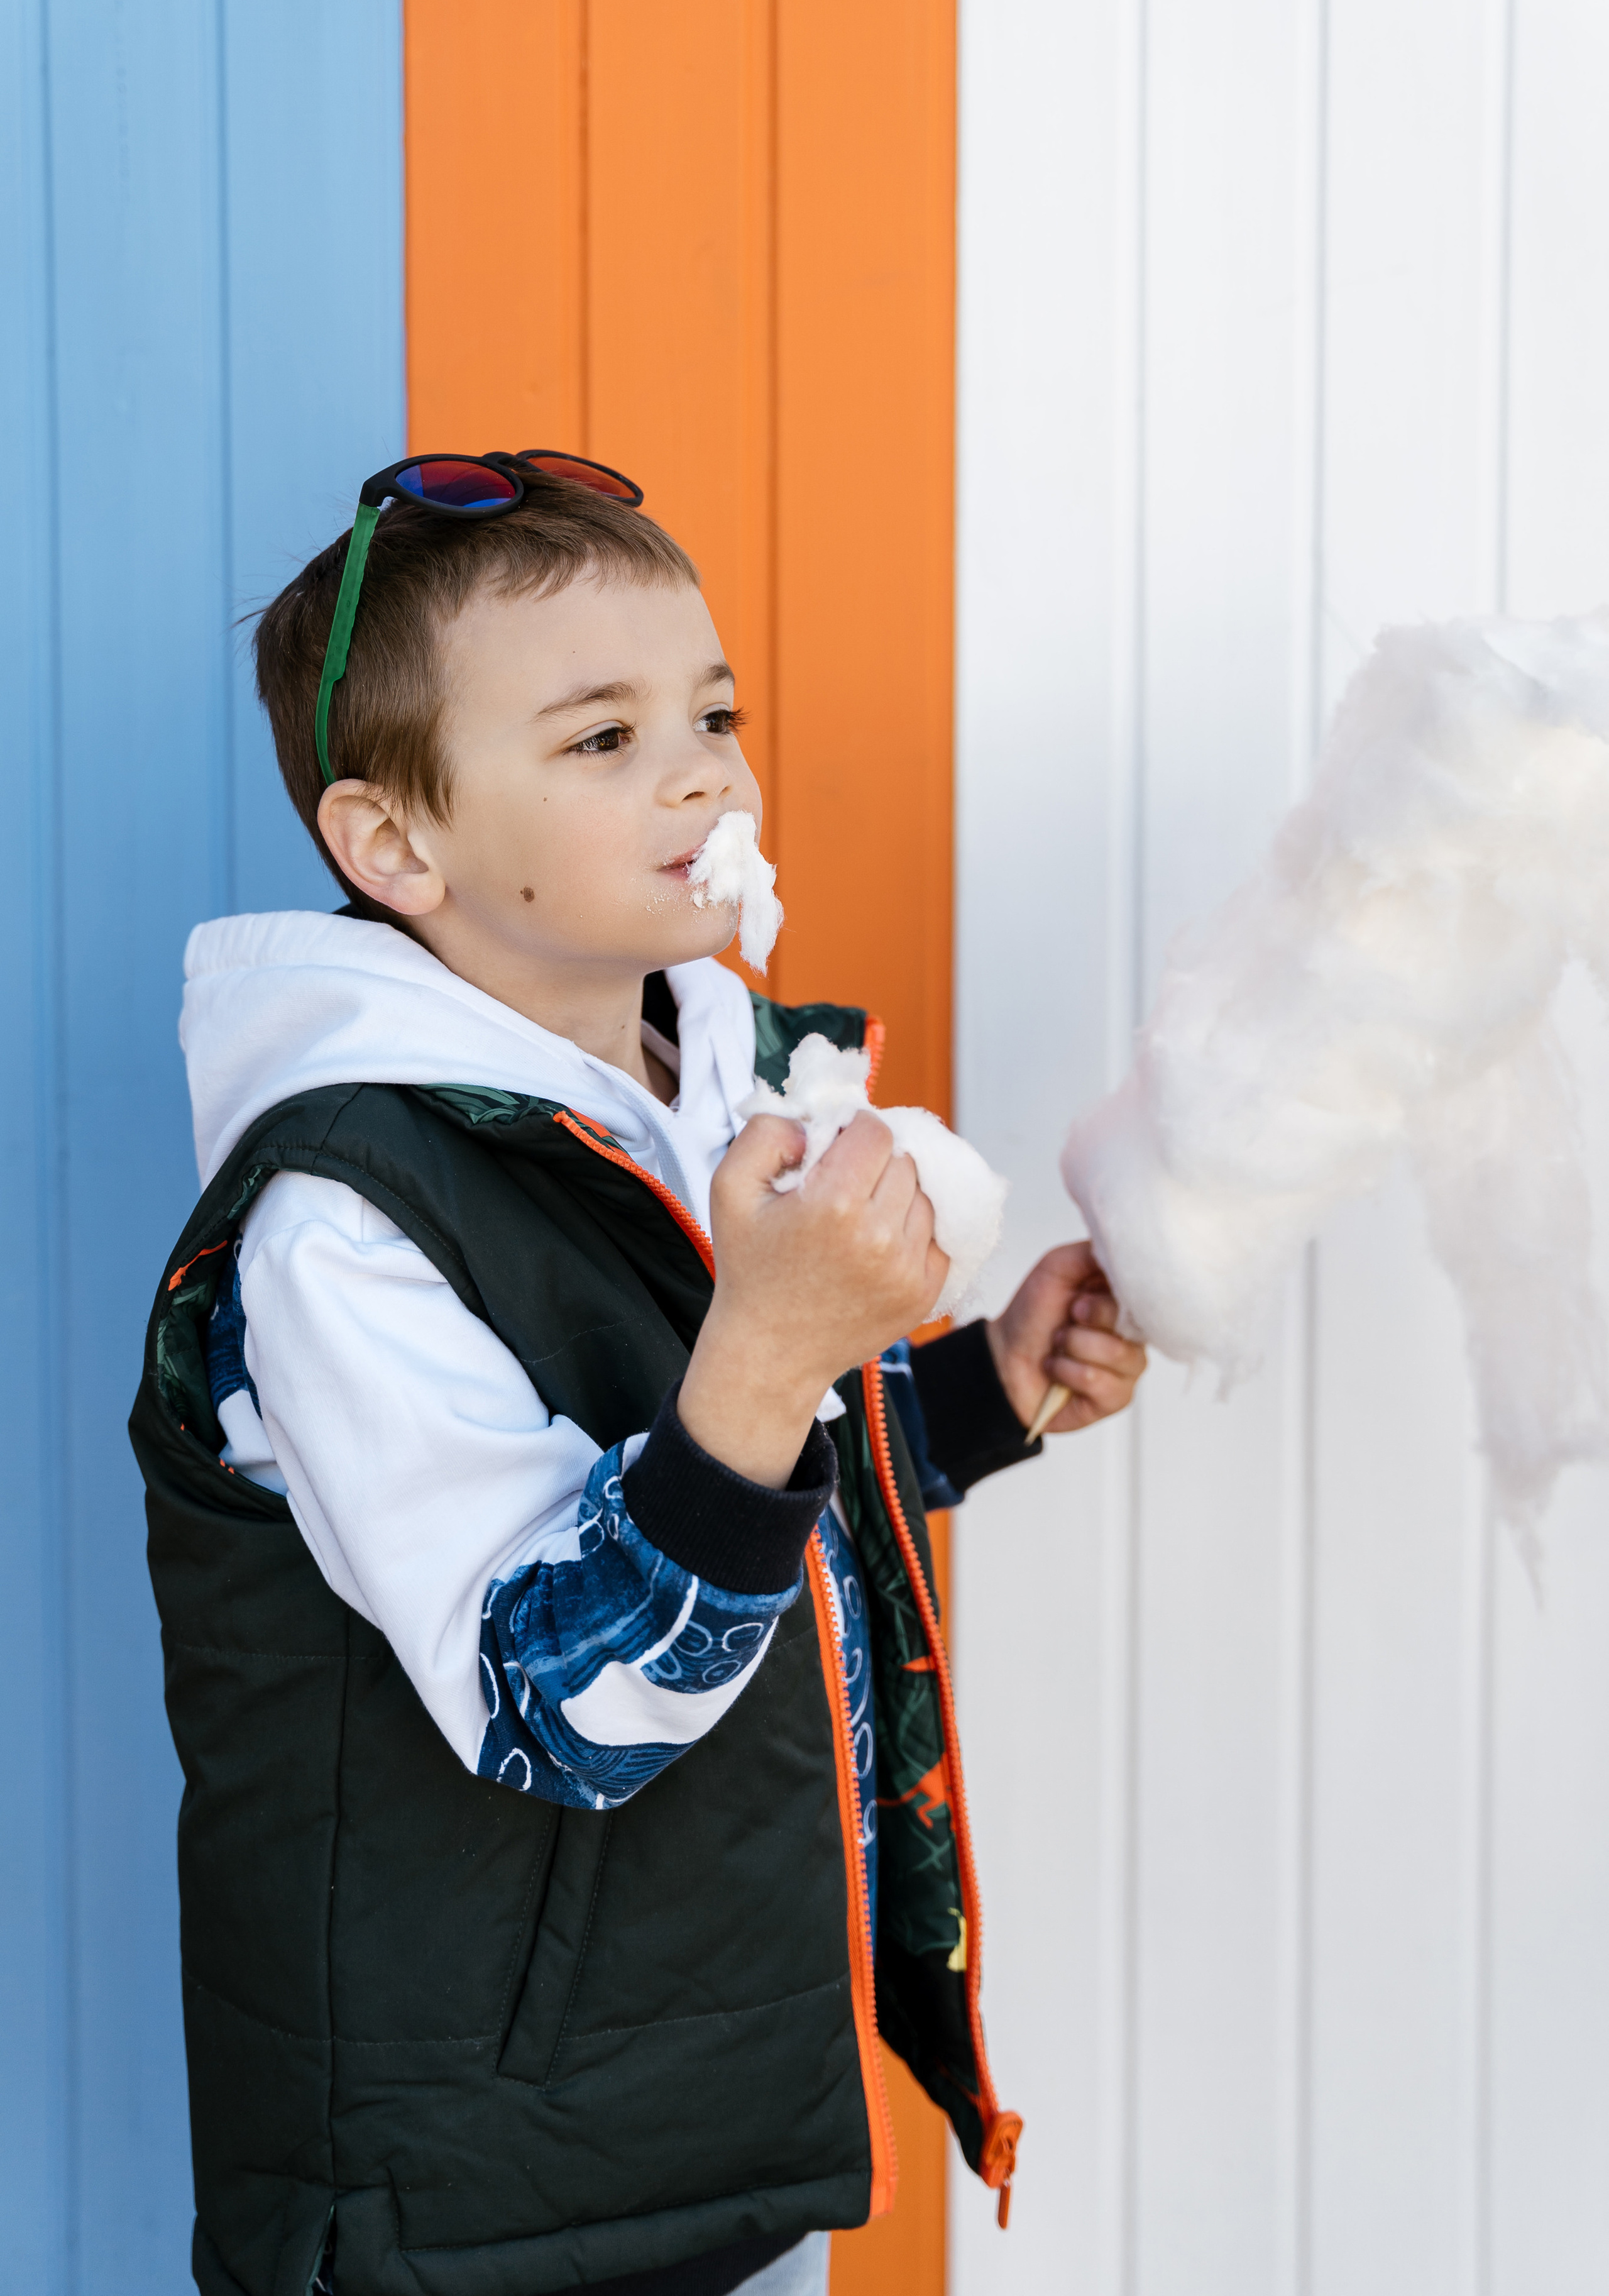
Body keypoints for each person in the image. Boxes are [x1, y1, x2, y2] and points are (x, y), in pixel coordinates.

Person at [131, 450, 1146, 2296]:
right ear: (396, 847)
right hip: (475, 2201)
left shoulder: (701, 1097)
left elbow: (745, 1503)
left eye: (714, 712)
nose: (702, 773)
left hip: (719, 2127)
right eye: (602, 740)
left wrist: (983, 1386)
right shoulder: (343, 1226)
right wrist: (765, 1340)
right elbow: (562, 1693)